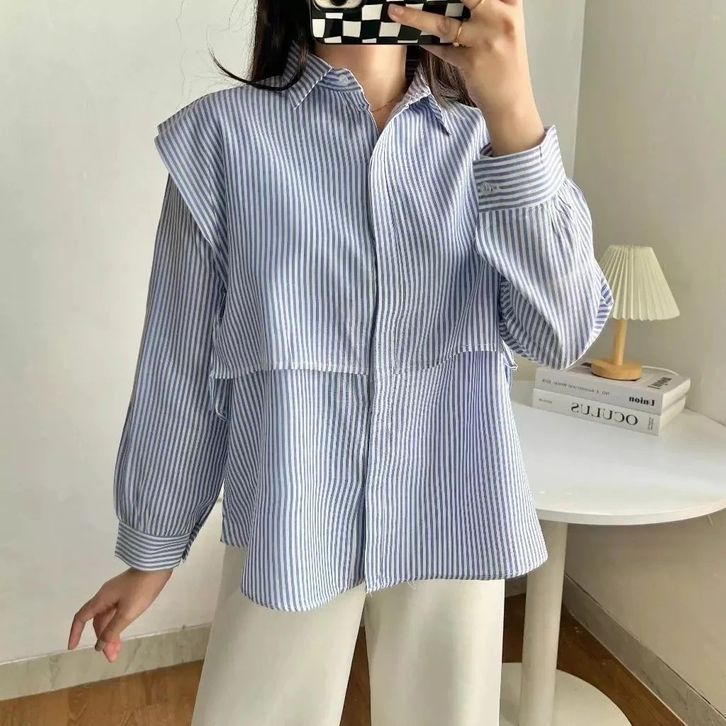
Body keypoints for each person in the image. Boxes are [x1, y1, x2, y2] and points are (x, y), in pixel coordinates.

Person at [68, 0, 614, 723]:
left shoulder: (491, 144)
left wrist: (513, 111)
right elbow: (179, 367)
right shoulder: (222, 140)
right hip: (289, 508)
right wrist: (153, 548)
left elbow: (563, 334)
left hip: (454, 502)